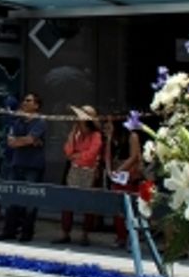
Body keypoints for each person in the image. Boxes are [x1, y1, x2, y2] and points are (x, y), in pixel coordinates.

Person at [0, 92, 46, 242]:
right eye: (24, 100)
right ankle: (9, 230)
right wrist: (28, 141)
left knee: (30, 200)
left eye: (29, 100)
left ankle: (27, 233)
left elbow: (31, 139)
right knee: (12, 197)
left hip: (33, 166)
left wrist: (28, 140)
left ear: (36, 105)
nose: (24, 102)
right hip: (17, 163)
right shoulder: (18, 121)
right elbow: (11, 141)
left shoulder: (41, 121)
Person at [56, 105, 103, 245]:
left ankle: (85, 234)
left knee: (88, 205)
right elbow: (68, 151)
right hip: (73, 171)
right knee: (67, 202)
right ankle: (65, 233)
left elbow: (91, 154)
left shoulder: (96, 135)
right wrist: (72, 137)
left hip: (89, 172)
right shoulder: (75, 132)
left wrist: (77, 156)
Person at [103, 113, 143, 249]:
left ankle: (133, 238)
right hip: (116, 175)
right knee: (117, 209)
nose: (108, 125)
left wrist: (120, 169)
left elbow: (134, 156)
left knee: (131, 209)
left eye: (110, 122)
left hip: (128, 175)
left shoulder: (132, 136)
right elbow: (107, 155)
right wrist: (109, 170)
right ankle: (121, 237)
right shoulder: (113, 137)